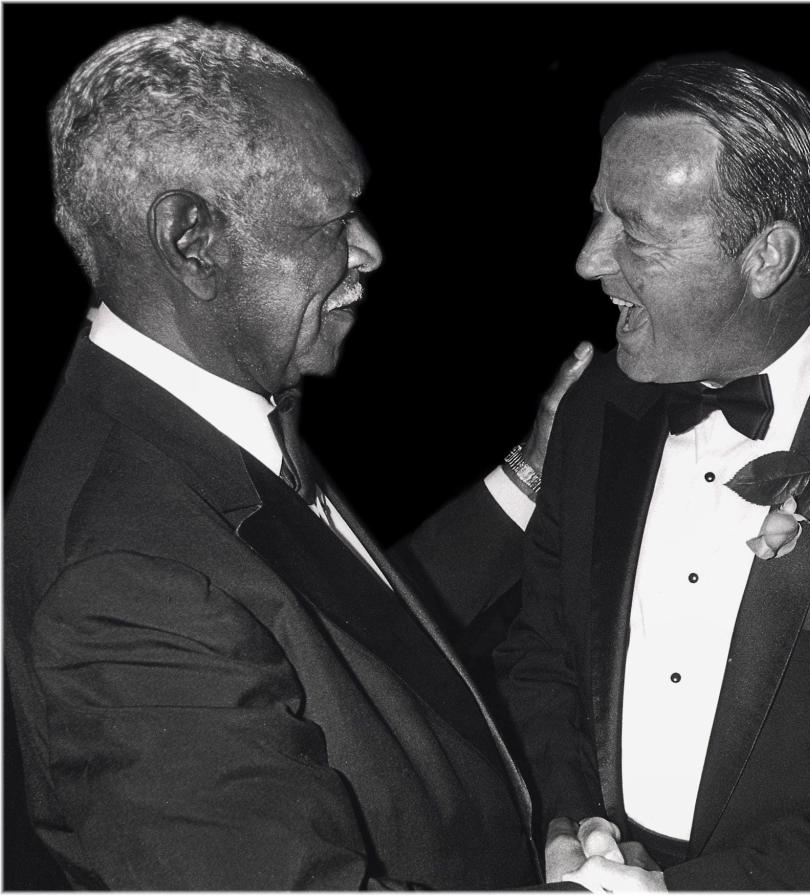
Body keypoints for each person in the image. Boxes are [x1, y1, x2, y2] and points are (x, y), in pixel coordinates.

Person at [3, 20, 596, 889]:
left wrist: (527, 476)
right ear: (191, 239)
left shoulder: (195, 420)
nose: (369, 250)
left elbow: (332, 626)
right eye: (330, 217)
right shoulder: (118, 585)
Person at [495, 54, 810, 890]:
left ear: (767, 256)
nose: (590, 260)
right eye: (597, 214)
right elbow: (542, 654)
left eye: (634, 230)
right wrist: (568, 822)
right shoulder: (597, 405)